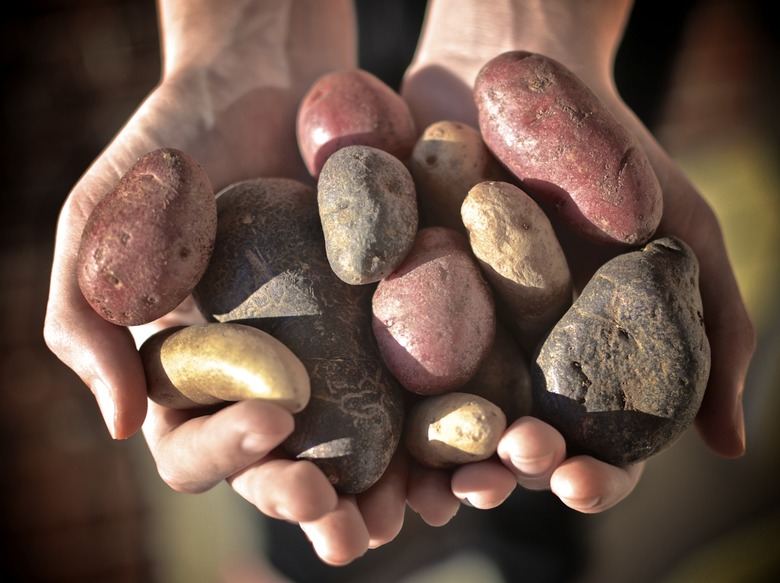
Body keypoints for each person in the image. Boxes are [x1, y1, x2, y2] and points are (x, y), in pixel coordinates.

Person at [43, 0, 755, 568]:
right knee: (299, 475)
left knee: (536, 453)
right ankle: (289, 566)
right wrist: (241, 34)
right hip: (336, 128)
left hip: (563, 61)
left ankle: (533, 559)